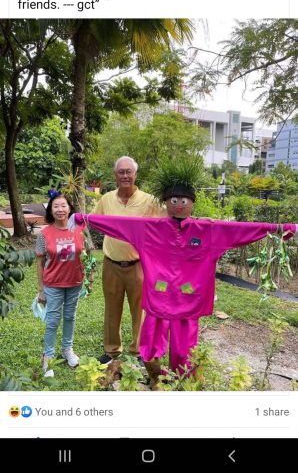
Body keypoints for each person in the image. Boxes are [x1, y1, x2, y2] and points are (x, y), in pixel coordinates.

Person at [74, 156, 298, 388]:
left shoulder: (204, 229)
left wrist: (281, 229)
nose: (178, 204)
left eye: (184, 200)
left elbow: (238, 230)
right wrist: (83, 218)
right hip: (157, 294)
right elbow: (115, 224)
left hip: (186, 299)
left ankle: (184, 381)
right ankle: (152, 377)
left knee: (183, 347)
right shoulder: (144, 226)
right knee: (149, 343)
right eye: (174, 200)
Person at [94, 156, 165, 365]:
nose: (125, 175)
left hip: (138, 266)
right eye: (121, 172)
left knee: (140, 310)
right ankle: (111, 351)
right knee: (111, 308)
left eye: (128, 172)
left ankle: (138, 351)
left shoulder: (149, 200)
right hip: (111, 264)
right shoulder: (106, 199)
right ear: (115, 175)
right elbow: (95, 221)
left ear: (135, 174)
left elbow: (164, 225)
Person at [36, 194, 86, 377]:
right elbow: (40, 263)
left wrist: (89, 278)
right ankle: (47, 356)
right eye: (55, 206)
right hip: (53, 284)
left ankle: (67, 349)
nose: (60, 209)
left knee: (70, 317)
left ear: (70, 208)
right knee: (52, 321)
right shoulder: (44, 233)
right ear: (50, 210)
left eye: (63, 206)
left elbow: (87, 254)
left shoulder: (80, 229)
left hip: (75, 282)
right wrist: (41, 289)